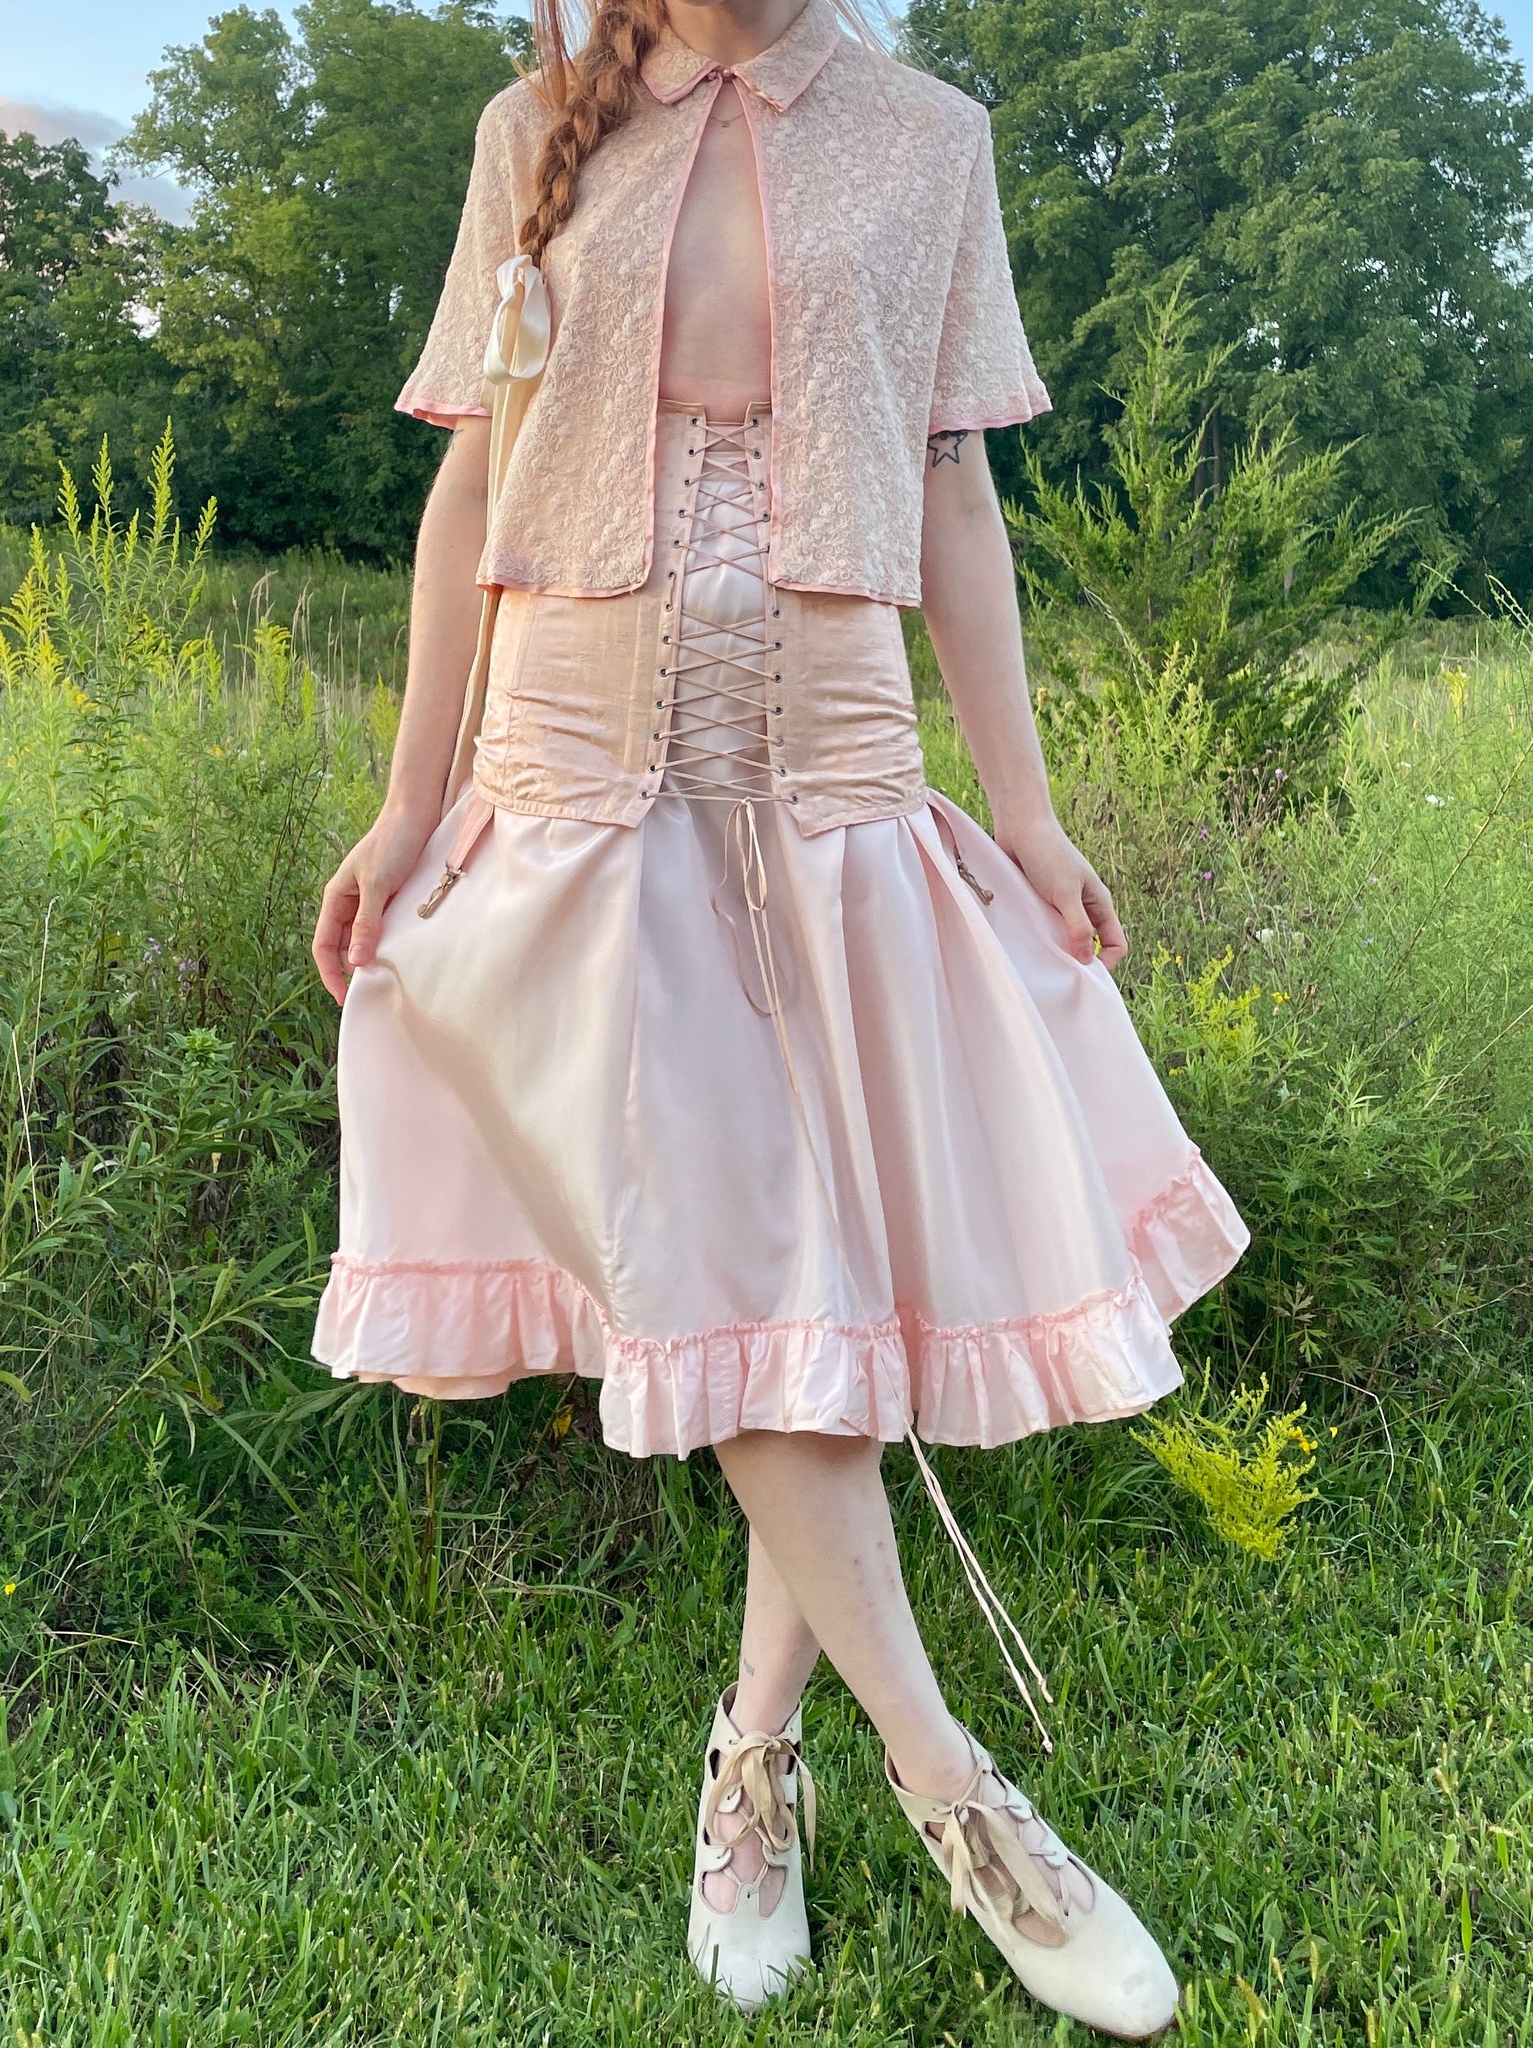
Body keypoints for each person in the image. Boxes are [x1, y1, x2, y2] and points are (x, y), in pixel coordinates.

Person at [308, 0, 1250, 2033]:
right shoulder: (528, 128)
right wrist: (406, 806)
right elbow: (467, 502)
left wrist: (1028, 808)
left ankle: (755, 1757)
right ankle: (957, 1785)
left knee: (808, 1282)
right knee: (739, 1259)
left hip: (829, 771)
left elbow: (957, 500)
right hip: (573, 782)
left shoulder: (930, 140)